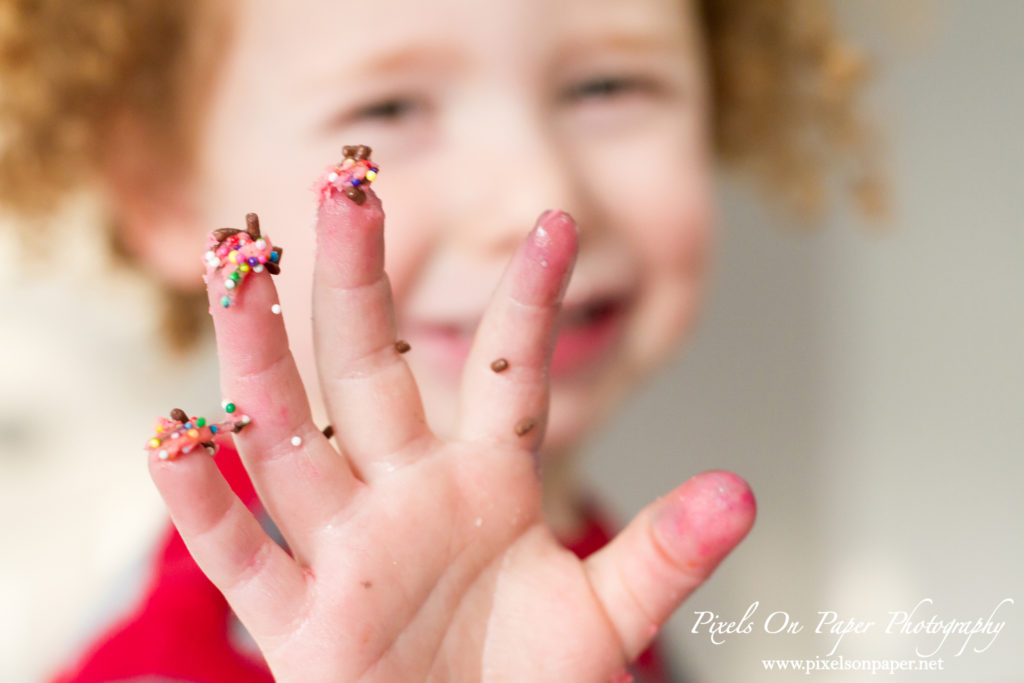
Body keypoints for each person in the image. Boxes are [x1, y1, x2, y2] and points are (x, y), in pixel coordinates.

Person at [0, 1, 877, 680]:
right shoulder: (193, 642)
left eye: (609, 85)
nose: (537, 189)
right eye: (387, 107)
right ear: (162, 191)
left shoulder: (605, 565)